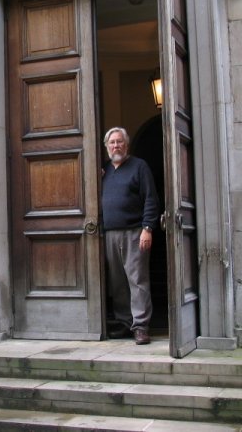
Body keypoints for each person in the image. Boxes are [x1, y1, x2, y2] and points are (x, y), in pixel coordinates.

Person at [101, 127, 159, 345]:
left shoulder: (139, 166)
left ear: (127, 144)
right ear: (107, 147)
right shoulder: (105, 171)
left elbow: (151, 199)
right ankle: (125, 323)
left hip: (135, 233)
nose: (116, 146)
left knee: (137, 280)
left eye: (119, 142)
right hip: (109, 234)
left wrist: (147, 227)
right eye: (112, 142)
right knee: (117, 283)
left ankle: (141, 326)